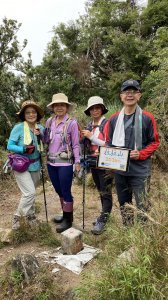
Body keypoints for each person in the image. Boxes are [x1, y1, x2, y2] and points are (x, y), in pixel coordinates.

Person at [105, 79, 160, 225]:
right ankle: (128, 234)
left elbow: (154, 142)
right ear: (121, 96)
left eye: (133, 91)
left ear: (139, 95)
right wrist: (104, 155)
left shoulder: (148, 118)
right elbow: (109, 143)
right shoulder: (114, 119)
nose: (130, 95)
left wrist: (141, 154)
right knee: (124, 204)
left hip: (140, 170)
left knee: (142, 205)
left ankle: (142, 237)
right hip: (120, 170)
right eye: (126, 92)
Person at [45, 93, 80, 233]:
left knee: (65, 191)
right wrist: (39, 134)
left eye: (62, 105)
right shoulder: (49, 122)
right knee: (58, 190)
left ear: (66, 107)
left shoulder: (72, 123)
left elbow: (76, 145)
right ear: (53, 107)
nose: (59, 107)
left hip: (65, 163)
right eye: (56, 105)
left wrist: (77, 161)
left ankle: (68, 219)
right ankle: (65, 214)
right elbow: (47, 140)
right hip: (51, 162)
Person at [7, 100, 44, 230]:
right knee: (30, 193)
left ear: (37, 114)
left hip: (35, 165)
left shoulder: (40, 128)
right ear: (24, 115)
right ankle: (17, 218)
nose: (31, 114)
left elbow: (46, 143)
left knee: (30, 193)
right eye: (28, 112)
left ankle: (31, 217)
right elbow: (9, 145)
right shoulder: (18, 128)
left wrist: (41, 136)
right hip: (21, 165)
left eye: (33, 112)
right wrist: (23, 149)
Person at [82, 96, 113, 235]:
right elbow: (88, 144)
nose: (95, 110)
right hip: (94, 163)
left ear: (102, 109)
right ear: (89, 111)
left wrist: (91, 137)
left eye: (97, 108)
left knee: (106, 192)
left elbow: (110, 144)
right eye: (92, 108)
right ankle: (104, 216)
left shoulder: (107, 124)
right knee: (100, 190)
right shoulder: (89, 125)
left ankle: (103, 220)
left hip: (106, 163)